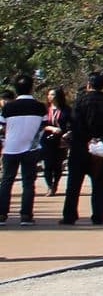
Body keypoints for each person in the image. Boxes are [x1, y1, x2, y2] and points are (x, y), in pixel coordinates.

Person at [62, 72, 103, 226]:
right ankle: (98, 216)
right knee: (99, 183)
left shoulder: (79, 102)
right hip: (100, 148)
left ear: (88, 84)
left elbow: (75, 123)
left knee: (74, 183)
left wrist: (87, 137)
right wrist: (100, 138)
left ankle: (70, 215)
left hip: (80, 146)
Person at [2, 80, 48, 222]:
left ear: (16, 89)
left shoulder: (8, 107)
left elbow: (1, 127)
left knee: (6, 181)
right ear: (31, 88)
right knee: (28, 182)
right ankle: (26, 216)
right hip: (31, 149)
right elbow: (43, 126)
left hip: (10, 148)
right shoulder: (40, 107)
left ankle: (2, 214)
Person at [41, 88, 70, 194]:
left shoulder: (66, 109)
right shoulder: (45, 109)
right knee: (47, 164)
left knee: (58, 165)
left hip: (61, 139)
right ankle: (49, 185)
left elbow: (71, 124)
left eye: (52, 94)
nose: (50, 97)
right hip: (47, 139)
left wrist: (67, 133)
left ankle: (55, 184)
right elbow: (41, 125)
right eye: (48, 94)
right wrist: (52, 129)